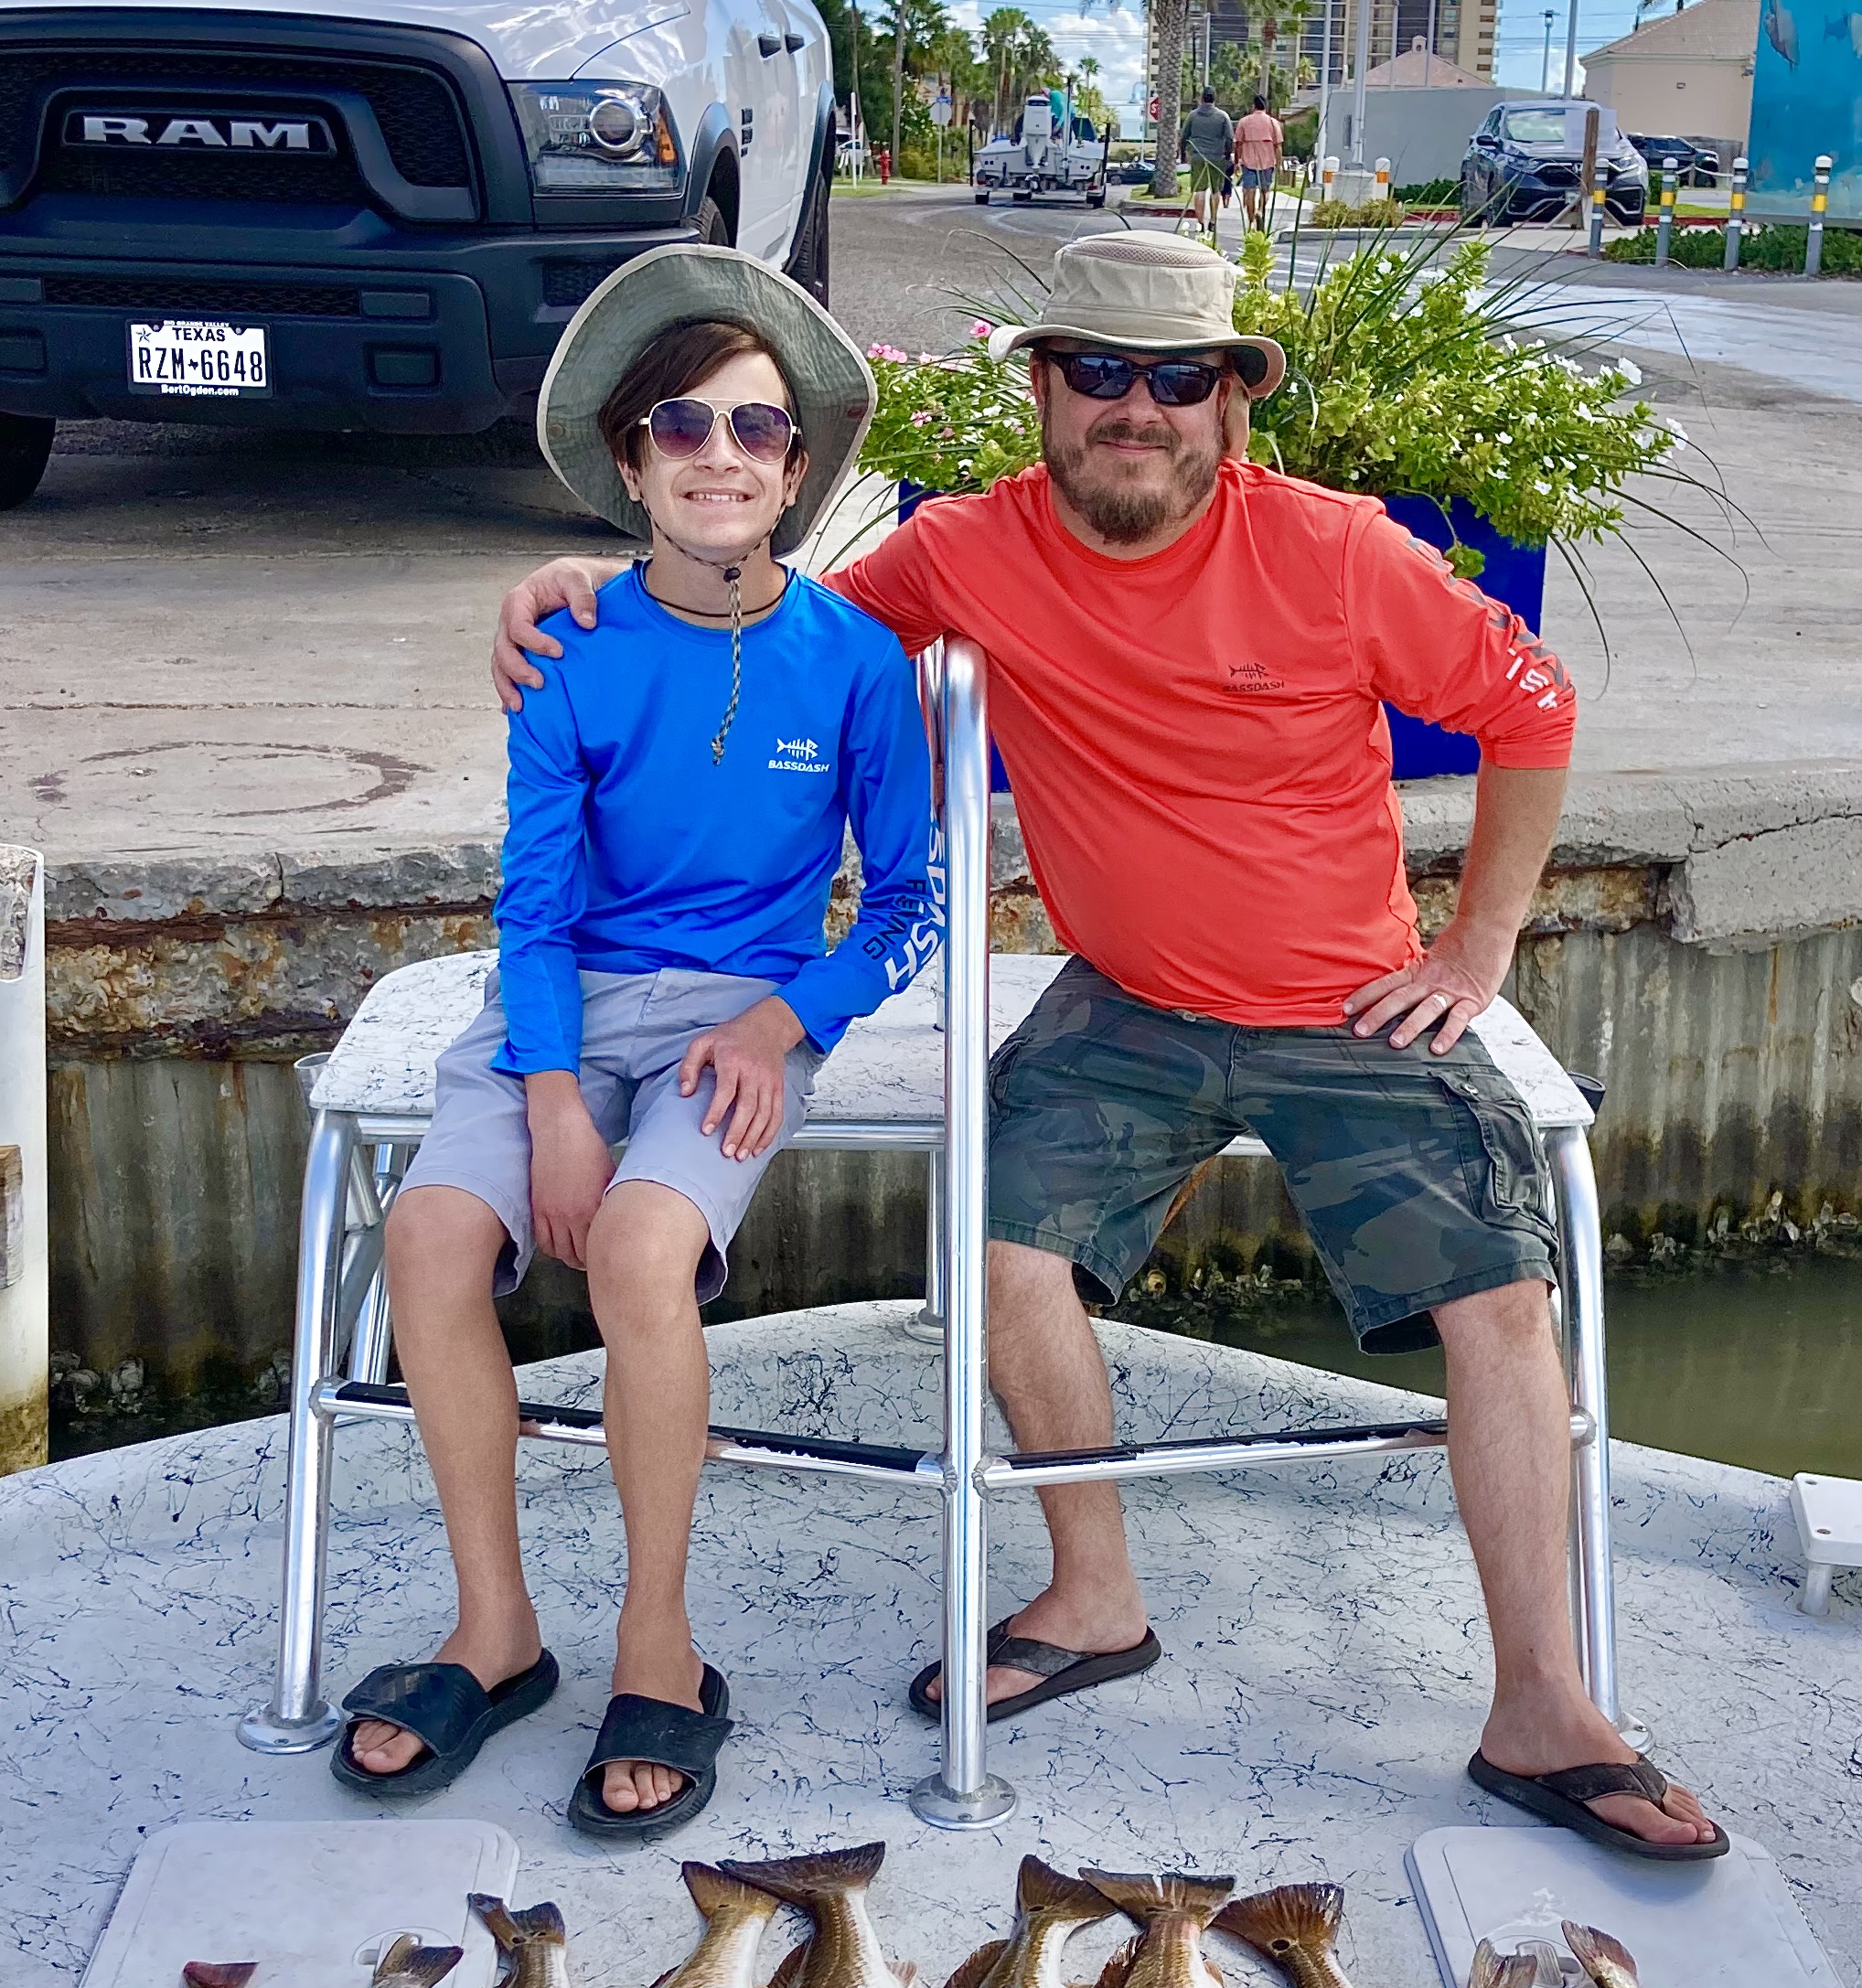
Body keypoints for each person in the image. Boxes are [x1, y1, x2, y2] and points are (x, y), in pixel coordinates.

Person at [490, 230, 1724, 1865]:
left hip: (1346, 1003)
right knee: (1004, 1255)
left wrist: (1476, 946)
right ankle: (1092, 1591)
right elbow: (750, 605)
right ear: (1045, 391)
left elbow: (1528, 703)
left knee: (1499, 1293)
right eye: (1099, 375)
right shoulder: (962, 552)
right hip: (1124, 998)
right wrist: (566, 588)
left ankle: (1545, 1705)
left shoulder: (1339, 554)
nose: (1134, 407)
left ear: (1228, 401)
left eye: (1175, 378)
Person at [335, 245, 938, 1840]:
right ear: (631, 461)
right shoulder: (569, 645)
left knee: (641, 1250)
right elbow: (529, 908)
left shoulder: (858, 664)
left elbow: (910, 911)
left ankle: (656, 1641)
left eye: (753, 429)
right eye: (682, 426)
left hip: (732, 1022)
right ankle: (495, 1631)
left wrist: (778, 1014)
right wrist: (545, 1099)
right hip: (557, 1007)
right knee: (428, 1238)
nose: (719, 456)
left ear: (796, 471)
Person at [1182, 88, 1235, 235]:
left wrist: (1184, 153)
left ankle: (1200, 223)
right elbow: (1230, 138)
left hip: (1198, 156)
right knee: (1215, 189)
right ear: (1214, 99)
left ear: (1201, 99)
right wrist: (1227, 153)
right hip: (1216, 157)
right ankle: (1213, 220)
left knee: (1199, 190)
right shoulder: (1223, 116)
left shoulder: (1193, 116)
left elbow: (1183, 136)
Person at [1234, 92, 1285, 230]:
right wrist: (1279, 165)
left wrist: (1237, 161)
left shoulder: (1244, 122)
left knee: (1250, 191)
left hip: (1249, 162)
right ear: (1265, 107)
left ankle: (1251, 221)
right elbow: (1278, 146)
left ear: (1253, 106)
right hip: (1267, 162)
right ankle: (1261, 211)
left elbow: (1238, 143)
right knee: (1265, 190)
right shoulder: (1273, 123)